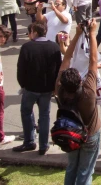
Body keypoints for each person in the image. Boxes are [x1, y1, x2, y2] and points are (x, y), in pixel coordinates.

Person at [56, 19, 101, 185]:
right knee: (85, 172)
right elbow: (94, 61)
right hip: (90, 134)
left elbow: (66, 60)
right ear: (80, 81)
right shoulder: (88, 92)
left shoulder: (59, 90)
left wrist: (76, 36)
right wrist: (92, 33)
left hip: (70, 132)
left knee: (72, 167)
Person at [13, 21, 62, 155]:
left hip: (30, 87)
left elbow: (21, 69)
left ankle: (29, 142)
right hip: (47, 89)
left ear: (34, 32)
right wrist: (54, 87)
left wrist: (23, 85)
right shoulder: (54, 47)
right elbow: (59, 69)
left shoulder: (27, 47)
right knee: (44, 116)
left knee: (26, 112)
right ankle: (43, 145)